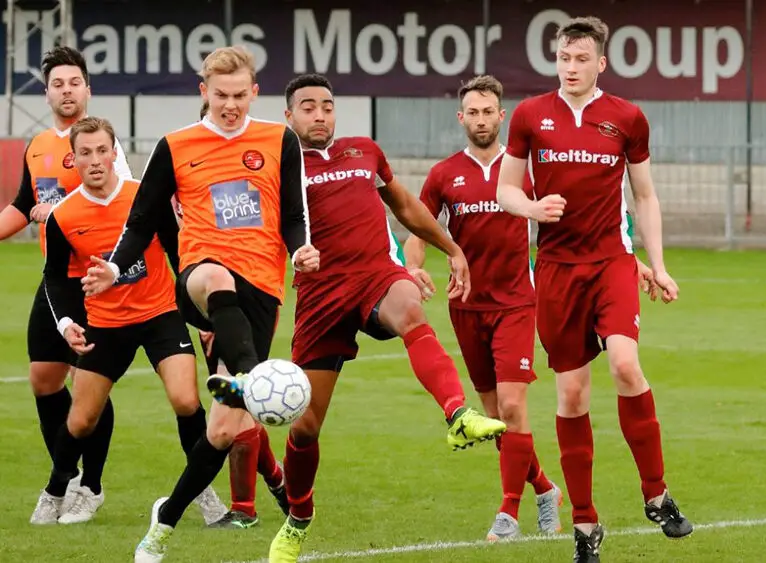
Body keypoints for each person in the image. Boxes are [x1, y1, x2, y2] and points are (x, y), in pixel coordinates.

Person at [78, 46, 317, 563]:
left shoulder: (280, 139)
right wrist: (115, 268)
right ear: (202, 91)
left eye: (239, 96)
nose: (230, 106)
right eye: (220, 95)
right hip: (202, 276)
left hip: (262, 288)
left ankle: (161, 526)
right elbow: (141, 221)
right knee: (213, 274)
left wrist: (301, 247)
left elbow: (294, 214)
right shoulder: (175, 144)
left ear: (254, 92)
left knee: (223, 430)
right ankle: (254, 378)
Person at [260, 73, 507, 562]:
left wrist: (451, 248)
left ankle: (458, 414)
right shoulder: (279, 166)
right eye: (307, 107)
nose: (319, 115)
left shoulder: (364, 152)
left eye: (326, 106)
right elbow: (265, 230)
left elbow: (406, 207)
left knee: (410, 311)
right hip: (320, 296)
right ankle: (298, 517)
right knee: (305, 427)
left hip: (377, 274)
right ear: (289, 117)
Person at [495, 16, 691, 562]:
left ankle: (657, 494)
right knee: (572, 394)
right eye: (564, 58)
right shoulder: (532, 115)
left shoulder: (626, 117)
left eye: (582, 59)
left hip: (611, 263)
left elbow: (645, 197)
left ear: (600, 63)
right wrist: (533, 208)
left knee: (626, 366)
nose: (572, 67)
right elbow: (506, 188)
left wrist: (659, 263)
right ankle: (585, 524)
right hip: (556, 270)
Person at [402, 75, 562, 541]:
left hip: (517, 302)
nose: (480, 119)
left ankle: (508, 513)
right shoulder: (443, 174)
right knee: (494, 420)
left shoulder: (525, 172)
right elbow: (417, 231)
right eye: (472, 112)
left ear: (501, 115)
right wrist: (413, 268)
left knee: (513, 407)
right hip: (467, 308)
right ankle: (545, 489)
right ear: (461, 118)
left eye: (487, 111)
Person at [31, 117, 207, 526]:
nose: (95, 160)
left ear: (115, 153)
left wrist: (198, 314)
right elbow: (56, 277)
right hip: (106, 323)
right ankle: (58, 490)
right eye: (85, 153)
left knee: (185, 400)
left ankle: (202, 491)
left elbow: (179, 254)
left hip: (160, 313)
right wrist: (66, 324)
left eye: (102, 151)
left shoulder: (145, 198)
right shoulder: (64, 217)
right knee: (80, 419)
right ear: (72, 160)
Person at [0, 47, 132, 514]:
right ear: (47, 92)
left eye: (75, 82)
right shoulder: (37, 146)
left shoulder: (102, 143)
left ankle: (89, 487)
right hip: (56, 280)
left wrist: (61, 214)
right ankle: (68, 471)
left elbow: (123, 213)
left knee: (89, 384)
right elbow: (22, 204)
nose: (67, 90)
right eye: (58, 83)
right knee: (43, 379)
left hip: (98, 279)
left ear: (88, 89)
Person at [184, 98, 290, 531]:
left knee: (234, 406)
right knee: (235, 403)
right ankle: (279, 484)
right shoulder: (190, 182)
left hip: (253, 299)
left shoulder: (258, 168)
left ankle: (244, 510)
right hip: (213, 303)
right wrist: (207, 319)